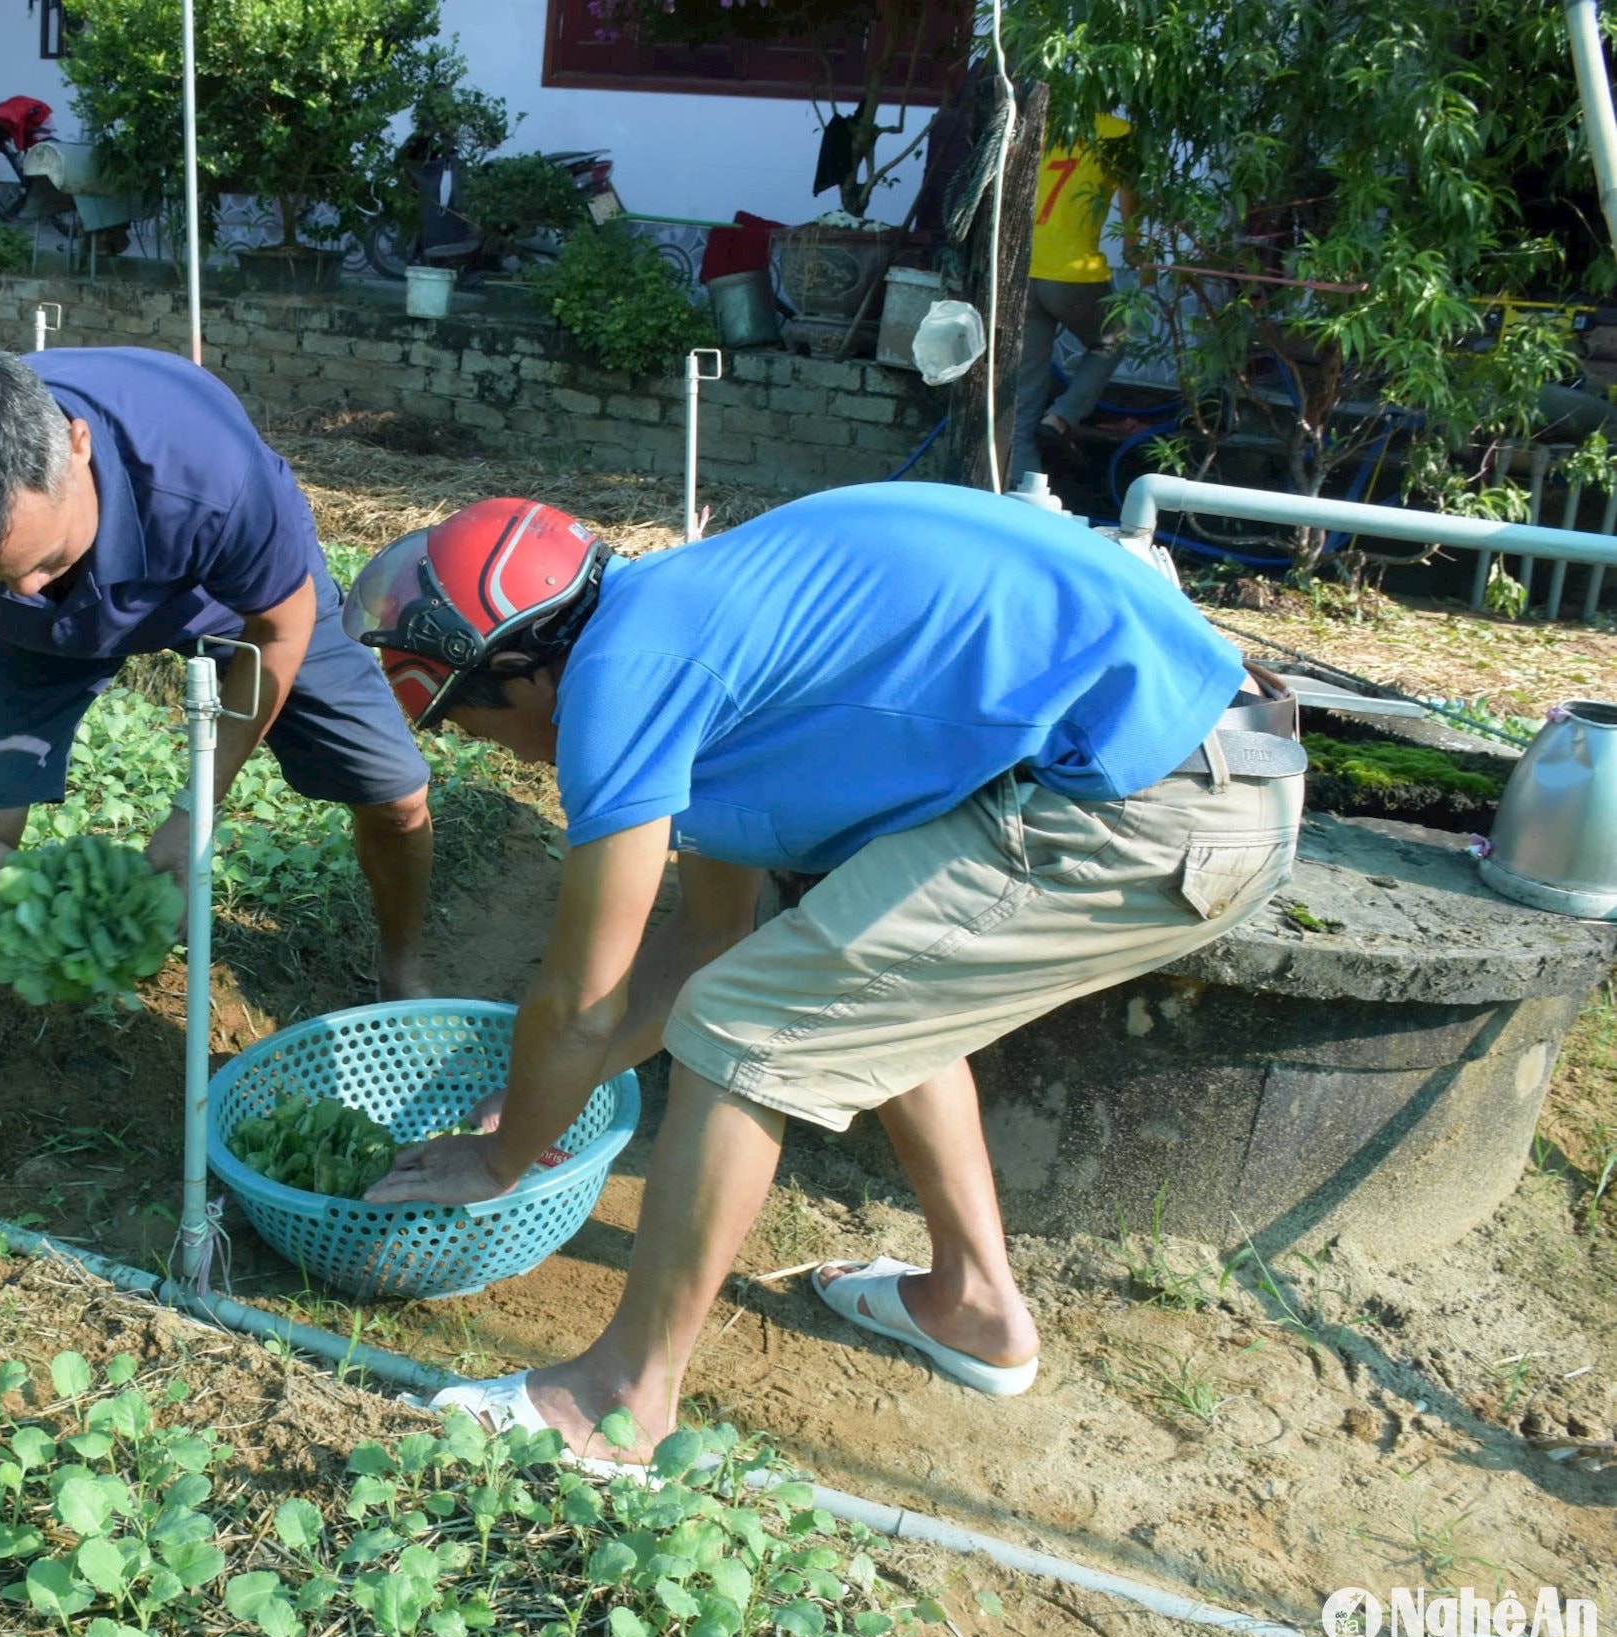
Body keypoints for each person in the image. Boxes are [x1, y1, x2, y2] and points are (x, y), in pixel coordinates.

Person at [344, 487, 1303, 1462]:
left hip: (1158, 803)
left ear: (518, 675)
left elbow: (581, 999)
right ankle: (971, 1304)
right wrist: (536, 1100)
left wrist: (501, 1158)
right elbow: (705, 934)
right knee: (850, 971)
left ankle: (614, 1404)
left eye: (469, 724)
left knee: (740, 1030)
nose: (488, 746)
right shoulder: (676, 617)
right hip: (1204, 758)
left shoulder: (621, 677)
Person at [0, 343, 436, 1221]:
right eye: (1, 574)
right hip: (17, 644)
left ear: (76, 444)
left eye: (45, 558)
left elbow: (281, 623)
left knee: (395, 788)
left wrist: (199, 808)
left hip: (227, 602)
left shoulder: (205, 471)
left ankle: (402, 971)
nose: (36, 588)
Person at [1013, 111, 1138, 487]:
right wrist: (1135, 249)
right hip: (1072, 273)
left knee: (1022, 407)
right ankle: (1063, 416)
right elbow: (1131, 196)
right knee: (1113, 340)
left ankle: (1022, 496)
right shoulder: (1119, 132)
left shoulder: (1044, 124)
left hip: (1023, 271)